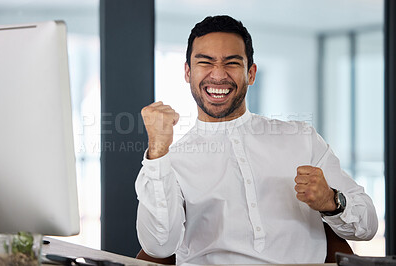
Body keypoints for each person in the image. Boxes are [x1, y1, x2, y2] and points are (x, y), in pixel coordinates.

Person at [135, 15, 378, 265]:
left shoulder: (301, 138)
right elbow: (159, 246)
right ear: (188, 72)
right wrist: (158, 151)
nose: (218, 75)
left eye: (231, 63)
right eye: (205, 62)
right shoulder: (169, 162)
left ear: (250, 73)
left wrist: (332, 201)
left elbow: (368, 226)